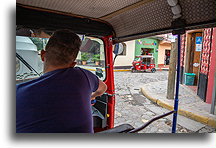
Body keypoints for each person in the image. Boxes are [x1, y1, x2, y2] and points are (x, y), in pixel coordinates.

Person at [16, 29, 107, 133]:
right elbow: (103, 88)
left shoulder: (17, 92)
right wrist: (90, 97)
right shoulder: (83, 76)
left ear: (42, 55)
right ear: (73, 64)